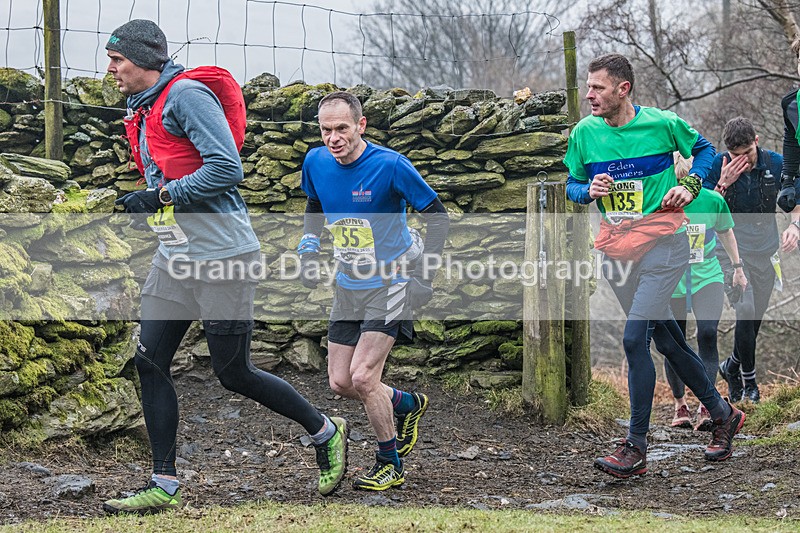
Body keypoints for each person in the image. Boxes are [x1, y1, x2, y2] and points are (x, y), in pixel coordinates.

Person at [103, 20, 348, 514]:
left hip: (223, 256)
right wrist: (154, 204)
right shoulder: (143, 108)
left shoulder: (186, 96)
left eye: (117, 60)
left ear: (144, 61)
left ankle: (325, 429)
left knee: (232, 372)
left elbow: (227, 168)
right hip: (174, 258)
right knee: (150, 361)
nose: (110, 69)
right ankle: (163, 483)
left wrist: (162, 194)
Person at [564, 53, 745, 479]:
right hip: (616, 251)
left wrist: (688, 185)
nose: (589, 95)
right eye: (588, 87)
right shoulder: (584, 134)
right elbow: (571, 184)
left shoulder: (663, 123)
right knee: (667, 342)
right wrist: (587, 188)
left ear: (623, 89)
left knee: (633, 339)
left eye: (598, 88)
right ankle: (722, 414)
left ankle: (635, 446)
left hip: (665, 245)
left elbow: (705, 152)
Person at [298, 91, 449, 491]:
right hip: (348, 284)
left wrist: (425, 278)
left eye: (342, 128)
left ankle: (390, 462)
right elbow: (315, 204)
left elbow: (438, 218)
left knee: (364, 377)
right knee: (340, 383)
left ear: (361, 125)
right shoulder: (315, 162)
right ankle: (405, 403)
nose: (333, 138)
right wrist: (310, 244)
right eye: (326, 130)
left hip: (392, 281)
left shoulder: (390, 166)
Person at [704, 117, 800, 404]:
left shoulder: (776, 163)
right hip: (730, 250)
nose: (740, 160)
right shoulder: (716, 166)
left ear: (756, 141)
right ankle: (750, 383)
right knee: (744, 309)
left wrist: (794, 226)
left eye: (746, 154)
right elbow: (704, 211)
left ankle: (731, 368)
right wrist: (723, 183)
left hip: (765, 249)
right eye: (735, 155)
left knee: (754, 320)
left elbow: (796, 200)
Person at [659, 155, 747, 431]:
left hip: (706, 275)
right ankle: (679, 404)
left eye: (685, 187)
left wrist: (738, 268)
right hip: (671, 279)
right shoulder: (658, 201)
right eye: (674, 186)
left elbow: (727, 233)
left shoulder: (712, 200)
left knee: (707, 334)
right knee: (675, 341)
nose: (679, 195)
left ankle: (707, 405)